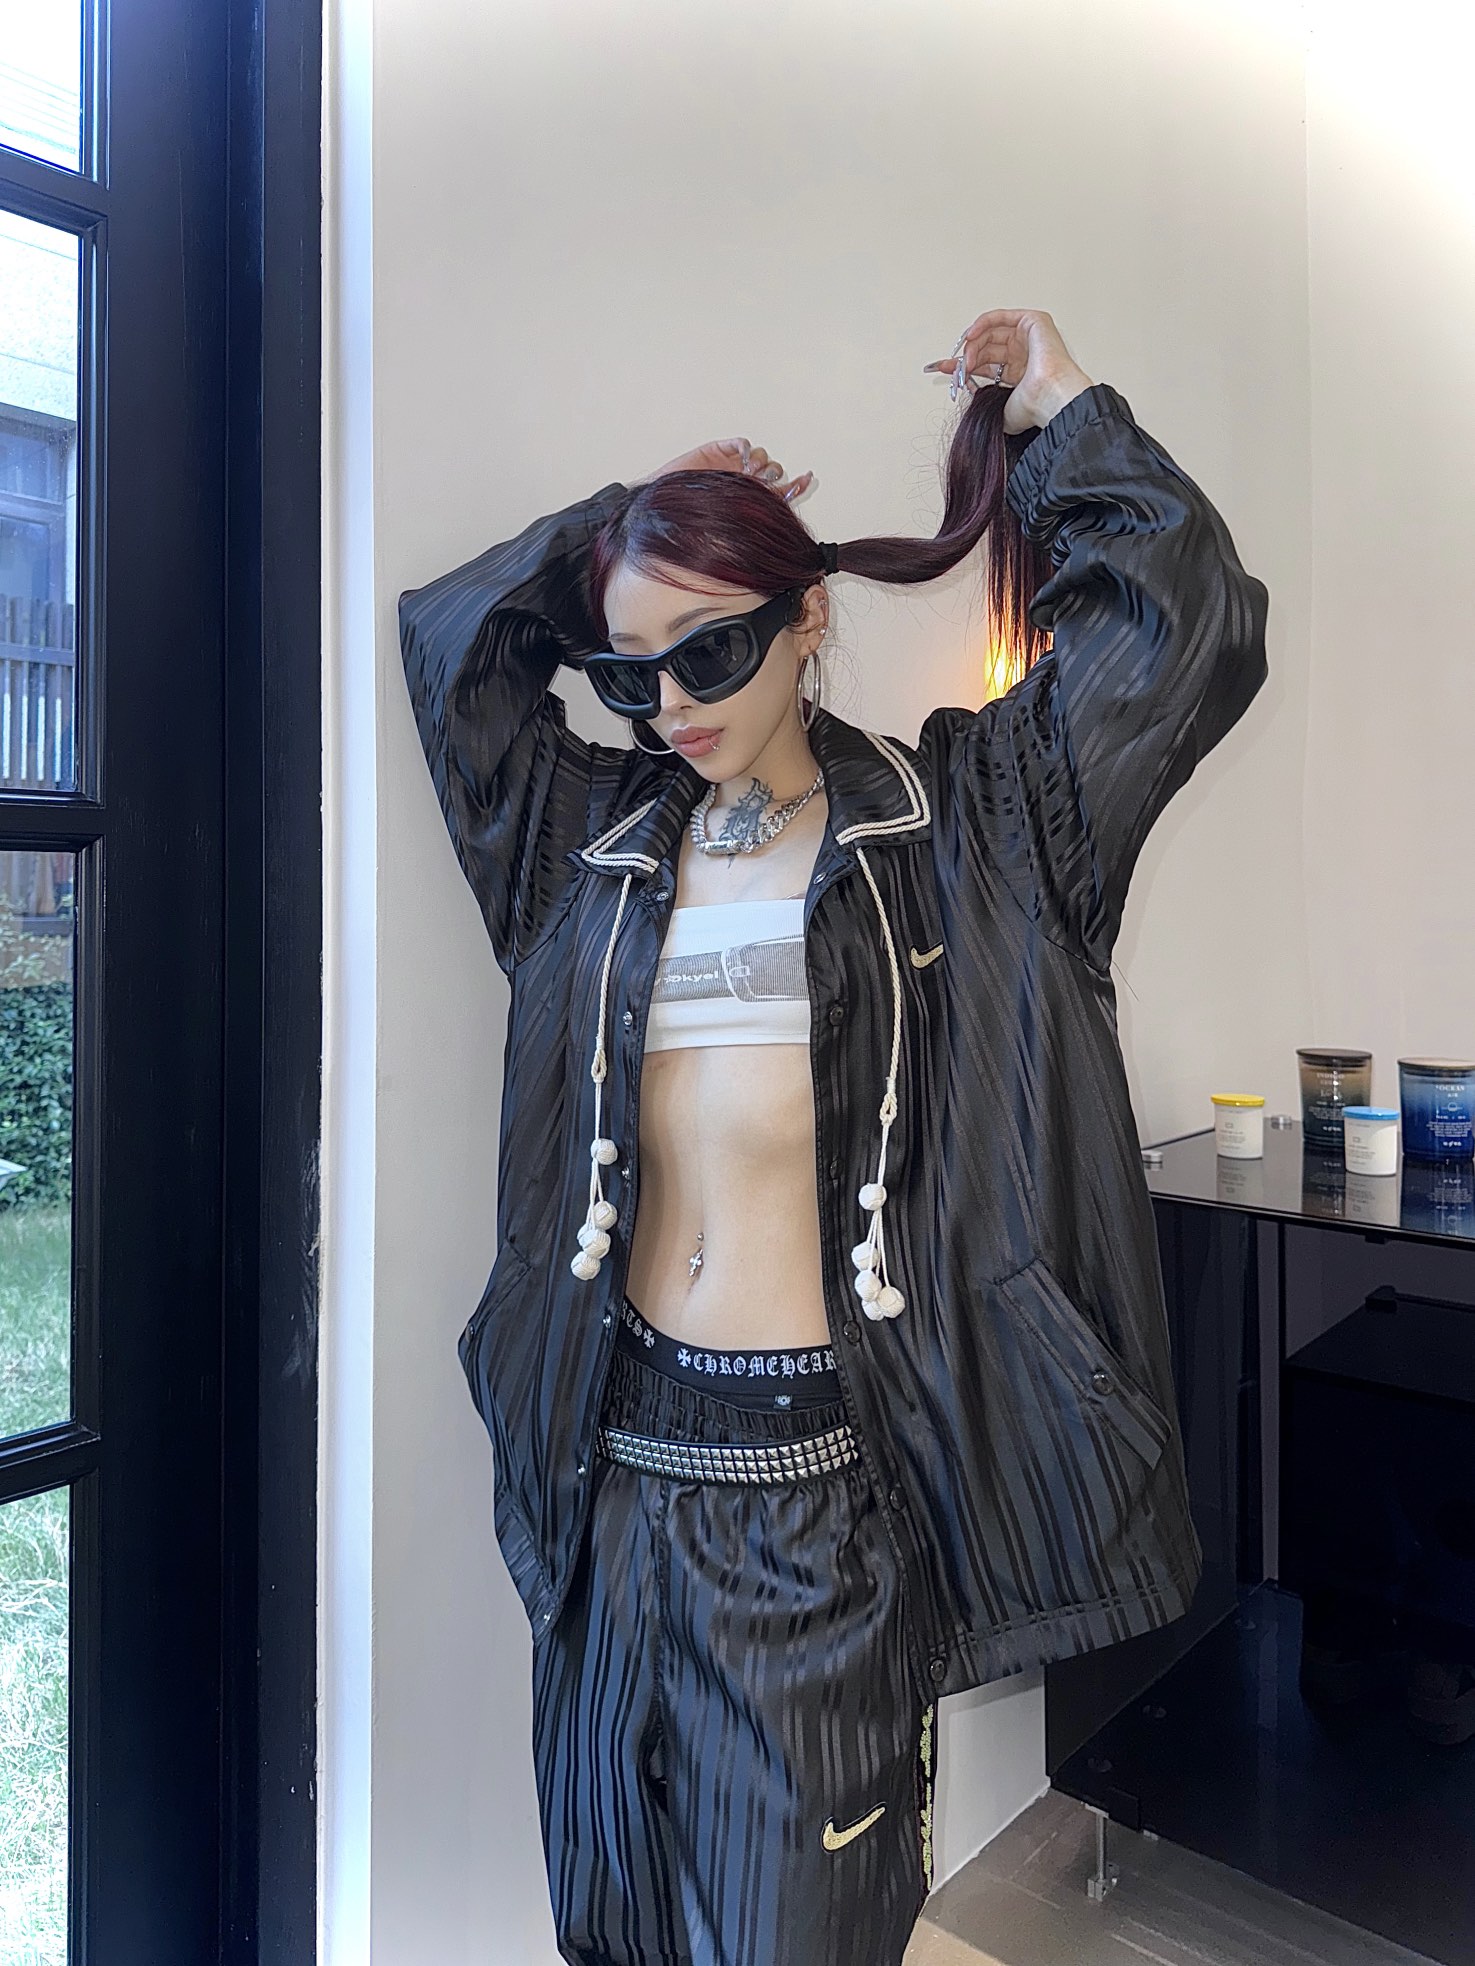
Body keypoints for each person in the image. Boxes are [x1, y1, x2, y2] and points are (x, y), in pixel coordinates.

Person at [398, 306, 1270, 1966]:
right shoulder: (588, 842)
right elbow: (456, 651)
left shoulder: (976, 833)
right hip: (610, 1493)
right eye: (635, 671)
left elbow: (1191, 625)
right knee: (613, 1924)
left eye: (712, 651)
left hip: (818, 1508)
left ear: (810, 618)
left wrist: (1062, 407)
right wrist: (626, 525)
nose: (669, 705)